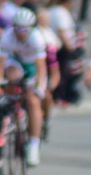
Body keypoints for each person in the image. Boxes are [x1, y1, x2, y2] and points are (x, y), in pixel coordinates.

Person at [0, 7, 48, 167]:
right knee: (11, 79)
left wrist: (39, 87)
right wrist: (0, 85)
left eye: (25, 29)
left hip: (32, 68)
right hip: (15, 64)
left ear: (31, 28)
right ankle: (13, 113)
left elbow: (41, 68)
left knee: (33, 101)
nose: (21, 32)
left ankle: (34, 145)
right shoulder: (7, 37)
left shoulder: (37, 38)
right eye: (17, 28)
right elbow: (1, 65)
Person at [37, 7, 61, 141]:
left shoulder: (50, 48)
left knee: (46, 96)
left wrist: (51, 85)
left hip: (45, 71)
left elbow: (55, 71)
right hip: (32, 70)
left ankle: (46, 120)